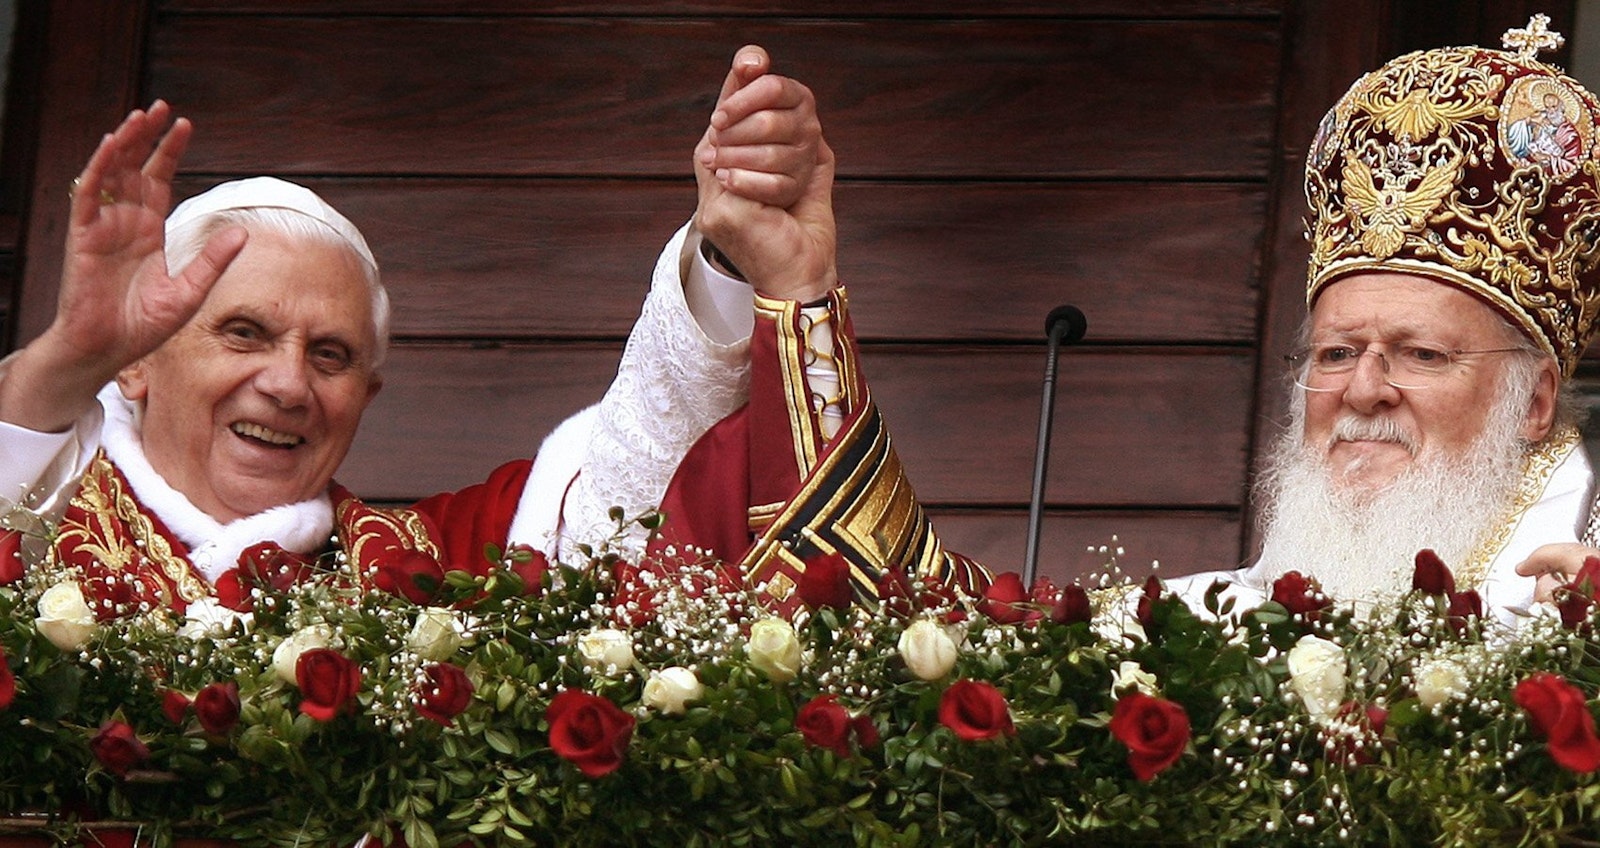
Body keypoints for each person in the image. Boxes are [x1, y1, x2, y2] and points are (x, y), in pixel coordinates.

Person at [0, 46, 985, 618]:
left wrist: (738, 257)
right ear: (135, 362)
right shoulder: (41, 533)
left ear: (367, 397)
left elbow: (637, 453)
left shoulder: (428, 570)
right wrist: (59, 366)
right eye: (245, 333)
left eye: (331, 354)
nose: (290, 384)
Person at [1166, 16, 1600, 624]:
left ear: (1533, 402)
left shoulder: (1585, 632)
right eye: (1337, 354)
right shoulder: (1177, 629)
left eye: (1423, 354)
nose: (1363, 391)